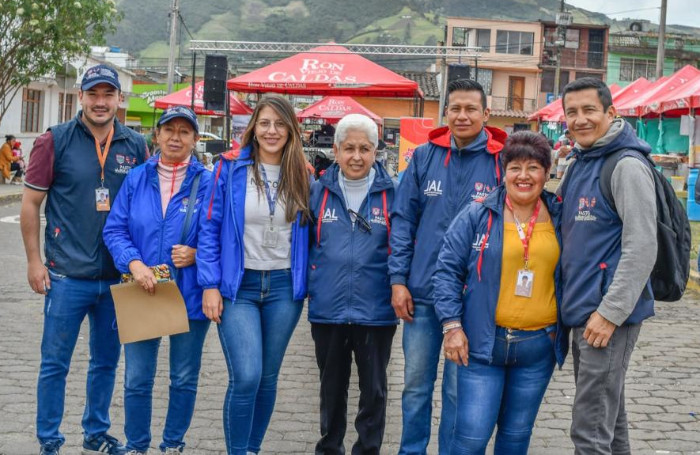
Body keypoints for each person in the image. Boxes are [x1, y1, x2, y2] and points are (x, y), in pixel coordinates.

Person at [20, 64, 148, 455]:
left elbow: (144, 209)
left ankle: (95, 434)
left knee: (106, 363)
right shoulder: (54, 140)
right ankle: (49, 440)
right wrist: (34, 262)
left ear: (119, 100)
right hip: (65, 275)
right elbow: (30, 204)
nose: (100, 102)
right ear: (81, 97)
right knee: (55, 363)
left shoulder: (135, 145)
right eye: (93, 94)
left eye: (108, 94)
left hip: (116, 279)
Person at [389, 79, 507, 454]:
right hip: (421, 295)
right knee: (415, 386)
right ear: (445, 113)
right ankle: (411, 450)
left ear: (486, 114)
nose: (462, 115)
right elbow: (403, 220)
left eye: (471, 108)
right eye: (455, 108)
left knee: (459, 390)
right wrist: (398, 280)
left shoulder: (502, 162)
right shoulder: (423, 157)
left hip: (473, 300)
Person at [433, 131, 568, 454]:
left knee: (516, 437)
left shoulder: (561, 217)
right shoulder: (477, 215)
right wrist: (452, 326)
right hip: (481, 346)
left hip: (538, 348)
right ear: (503, 171)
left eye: (534, 168)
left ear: (547, 173)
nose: (524, 176)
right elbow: (446, 272)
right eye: (515, 167)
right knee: (470, 439)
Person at [197, 95, 311, 455]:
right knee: (246, 376)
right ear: (253, 128)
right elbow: (209, 227)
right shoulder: (229, 168)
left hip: (282, 289)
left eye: (280, 124)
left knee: (267, 379)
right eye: (264, 123)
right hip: (239, 287)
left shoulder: (305, 175)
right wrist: (210, 285)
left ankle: (251, 449)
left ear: (291, 129)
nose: (272, 131)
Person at [103, 106, 211, 454]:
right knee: (137, 379)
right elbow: (115, 229)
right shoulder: (136, 179)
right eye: (169, 130)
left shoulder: (208, 183)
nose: (175, 137)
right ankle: (137, 445)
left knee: (183, 378)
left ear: (195, 139)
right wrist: (134, 263)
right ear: (157, 135)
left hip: (189, 293)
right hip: (143, 289)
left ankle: (173, 444)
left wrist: (197, 255)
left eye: (184, 131)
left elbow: (220, 234)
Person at [558, 77, 657, 454]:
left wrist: (611, 313)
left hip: (607, 318)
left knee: (590, 429)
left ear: (610, 112)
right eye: (572, 112)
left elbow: (642, 246)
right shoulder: (580, 162)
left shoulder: (626, 166)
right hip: (584, 312)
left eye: (589, 110)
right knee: (608, 422)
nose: (580, 119)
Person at [308, 114, 398, 455]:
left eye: (364, 148)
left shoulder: (394, 193)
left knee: (374, 390)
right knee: (331, 388)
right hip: (328, 310)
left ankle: (367, 449)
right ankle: (330, 447)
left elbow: (402, 246)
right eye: (349, 148)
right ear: (335, 150)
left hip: (376, 312)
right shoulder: (318, 191)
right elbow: (304, 246)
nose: (356, 156)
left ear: (376, 150)